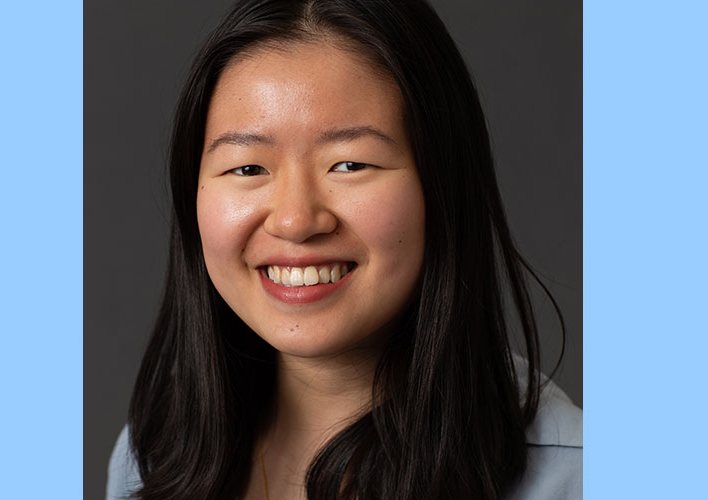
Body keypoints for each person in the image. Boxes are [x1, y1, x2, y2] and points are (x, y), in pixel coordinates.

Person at [106, 0, 582, 499]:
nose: (295, 220)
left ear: (443, 187)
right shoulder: (150, 456)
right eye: (248, 169)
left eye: (350, 164)